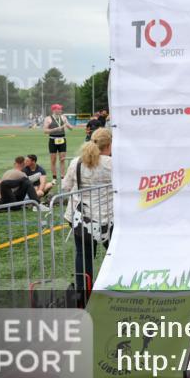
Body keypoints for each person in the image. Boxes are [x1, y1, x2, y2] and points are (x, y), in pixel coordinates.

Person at [62, 128, 114, 306]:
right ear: (109, 144)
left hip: (81, 217)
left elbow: (65, 186)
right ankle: (118, 287)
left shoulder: (76, 162)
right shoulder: (111, 163)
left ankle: (83, 294)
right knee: (115, 253)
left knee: (83, 256)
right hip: (107, 217)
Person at [43, 103, 74, 182]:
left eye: (60, 109)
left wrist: (67, 125)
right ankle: (54, 178)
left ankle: (63, 177)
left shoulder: (63, 117)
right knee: (53, 160)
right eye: (59, 109)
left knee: (62, 159)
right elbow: (45, 131)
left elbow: (71, 128)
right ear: (54, 110)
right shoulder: (48, 118)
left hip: (62, 139)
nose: (60, 110)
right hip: (53, 140)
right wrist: (56, 129)